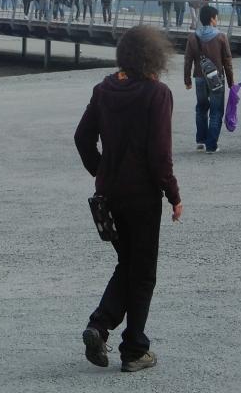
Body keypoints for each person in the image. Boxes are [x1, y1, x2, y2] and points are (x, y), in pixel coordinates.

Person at [73, 25, 182, 373]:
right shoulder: (157, 94)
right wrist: (174, 195)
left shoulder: (103, 90)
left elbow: (82, 137)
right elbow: (159, 156)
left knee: (129, 265)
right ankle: (134, 349)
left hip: (109, 196)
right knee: (143, 272)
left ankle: (100, 326)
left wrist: (102, 172)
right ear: (155, 56)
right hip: (142, 197)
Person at [183, 5, 234, 153]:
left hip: (199, 77)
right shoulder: (221, 36)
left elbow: (188, 60)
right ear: (212, 18)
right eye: (216, 17)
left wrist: (187, 80)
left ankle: (200, 141)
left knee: (201, 108)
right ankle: (211, 145)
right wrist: (230, 81)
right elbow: (227, 61)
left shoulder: (193, 36)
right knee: (216, 111)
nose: (217, 20)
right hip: (217, 78)